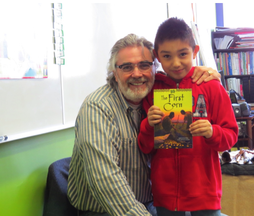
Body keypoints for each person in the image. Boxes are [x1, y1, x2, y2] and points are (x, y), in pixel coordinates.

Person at [67, 33, 221, 216]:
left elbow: (181, 74)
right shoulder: (97, 107)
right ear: (114, 73)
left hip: (151, 203)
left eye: (144, 65)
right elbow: (105, 180)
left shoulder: (158, 96)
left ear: (155, 69)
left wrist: (206, 74)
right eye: (126, 67)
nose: (137, 74)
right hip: (105, 210)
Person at [138, 17, 238, 216]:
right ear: (157, 56)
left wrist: (212, 132)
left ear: (195, 51)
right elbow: (145, 146)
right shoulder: (151, 89)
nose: (176, 63)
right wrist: (149, 126)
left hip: (204, 191)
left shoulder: (211, 87)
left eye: (183, 54)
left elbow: (230, 137)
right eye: (166, 56)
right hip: (164, 194)